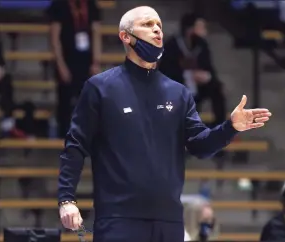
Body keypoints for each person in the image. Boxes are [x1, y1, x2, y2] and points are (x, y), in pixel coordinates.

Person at [58, 6, 271, 242]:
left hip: (168, 220)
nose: (157, 29)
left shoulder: (178, 93)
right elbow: (75, 146)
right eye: (147, 25)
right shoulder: (100, 88)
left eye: (158, 24)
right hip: (118, 217)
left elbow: (200, 146)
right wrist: (67, 199)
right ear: (125, 36)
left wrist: (230, 127)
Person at [158, 13, 226, 127]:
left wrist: (207, 76)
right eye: (200, 28)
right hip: (177, 85)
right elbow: (165, 71)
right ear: (189, 30)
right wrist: (188, 75)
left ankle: (220, 126)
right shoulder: (173, 45)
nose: (204, 32)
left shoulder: (202, 45)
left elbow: (209, 68)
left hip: (196, 86)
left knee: (216, 87)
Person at [46, 0, 102, 138]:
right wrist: (61, 65)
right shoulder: (59, 4)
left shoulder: (90, 4)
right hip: (67, 60)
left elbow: (96, 33)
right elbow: (54, 38)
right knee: (65, 103)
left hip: (86, 61)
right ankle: (64, 139)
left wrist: (95, 62)